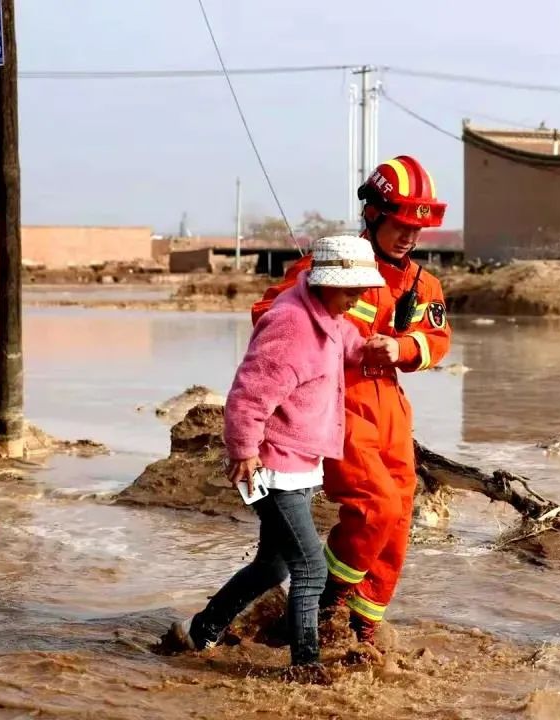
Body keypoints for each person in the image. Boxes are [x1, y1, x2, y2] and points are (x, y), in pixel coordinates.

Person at [153, 235, 385, 679]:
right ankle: (305, 667)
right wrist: (242, 451)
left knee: (273, 565)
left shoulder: (331, 318)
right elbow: (247, 397)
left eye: (361, 290)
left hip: (300, 463)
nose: (357, 299)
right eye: (350, 290)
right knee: (311, 569)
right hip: (272, 467)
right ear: (322, 283)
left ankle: (198, 633)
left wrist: (372, 349)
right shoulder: (292, 326)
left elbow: (346, 343)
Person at [251, 155, 452, 646]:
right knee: (375, 506)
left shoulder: (425, 284)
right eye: (400, 224)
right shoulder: (334, 263)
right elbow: (267, 313)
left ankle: (363, 630)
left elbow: (438, 340)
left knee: (399, 516)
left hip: (391, 410)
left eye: (416, 229)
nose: (408, 237)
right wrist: (330, 333)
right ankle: (325, 604)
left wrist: (403, 347)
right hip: (341, 406)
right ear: (375, 214)